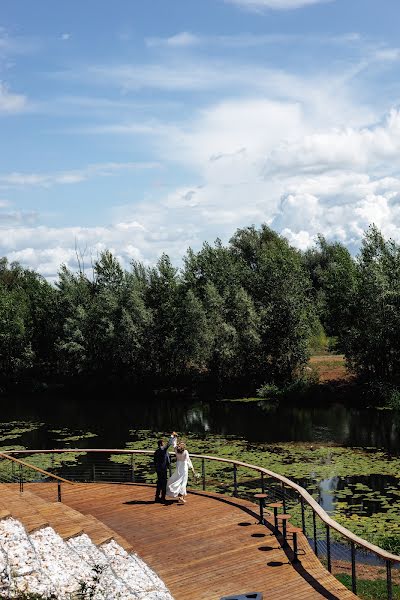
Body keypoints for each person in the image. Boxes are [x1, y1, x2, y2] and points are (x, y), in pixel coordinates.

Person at [166, 437, 195, 504]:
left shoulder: (176, 450)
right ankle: (181, 497)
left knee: (177, 480)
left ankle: (180, 496)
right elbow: (188, 460)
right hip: (184, 468)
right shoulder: (185, 452)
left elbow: (174, 444)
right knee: (183, 482)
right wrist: (192, 468)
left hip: (178, 467)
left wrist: (173, 437)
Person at [154, 432, 176, 503]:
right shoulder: (162, 450)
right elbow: (169, 444)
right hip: (162, 470)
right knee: (163, 483)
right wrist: (172, 436)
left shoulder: (156, 452)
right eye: (163, 443)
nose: (164, 444)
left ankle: (157, 497)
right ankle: (162, 498)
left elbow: (155, 461)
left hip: (159, 469)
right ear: (161, 444)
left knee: (159, 483)